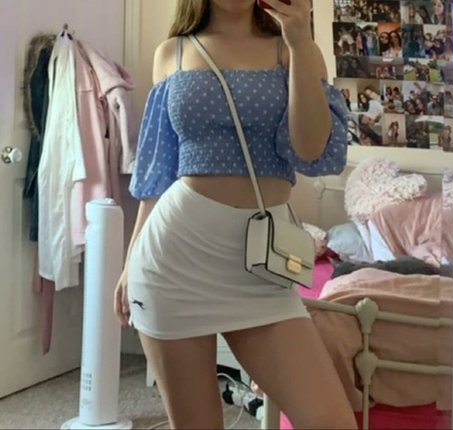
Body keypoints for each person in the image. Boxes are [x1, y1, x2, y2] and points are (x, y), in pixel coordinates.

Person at [113, 0, 356, 429]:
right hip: (174, 261)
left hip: (263, 275)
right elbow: (157, 173)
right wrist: (131, 260)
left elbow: (310, 150)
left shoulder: (294, 49)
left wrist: (300, 42)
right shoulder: (173, 52)